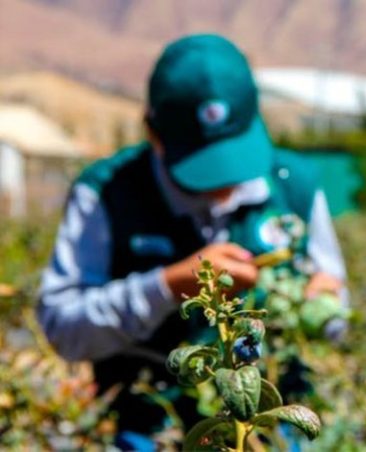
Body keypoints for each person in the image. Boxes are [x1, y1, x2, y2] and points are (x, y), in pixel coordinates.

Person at [36, 34, 347, 446]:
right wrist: (166, 286)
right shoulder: (106, 193)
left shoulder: (297, 185)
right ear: (153, 133)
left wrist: (323, 306)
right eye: (202, 165)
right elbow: (63, 328)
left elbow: (338, 312)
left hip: (274, 436)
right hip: (152, 433)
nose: (223, 182)